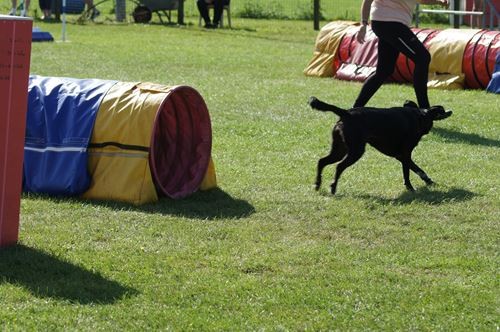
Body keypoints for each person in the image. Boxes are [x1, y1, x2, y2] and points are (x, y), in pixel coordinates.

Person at [353, 0, 449, 109]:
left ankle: (354, 110)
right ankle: (424, 110)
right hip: (390, 23)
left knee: (384, 71)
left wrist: (438, 2)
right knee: (422, 57)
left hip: (385, 22)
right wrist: (363, 24)